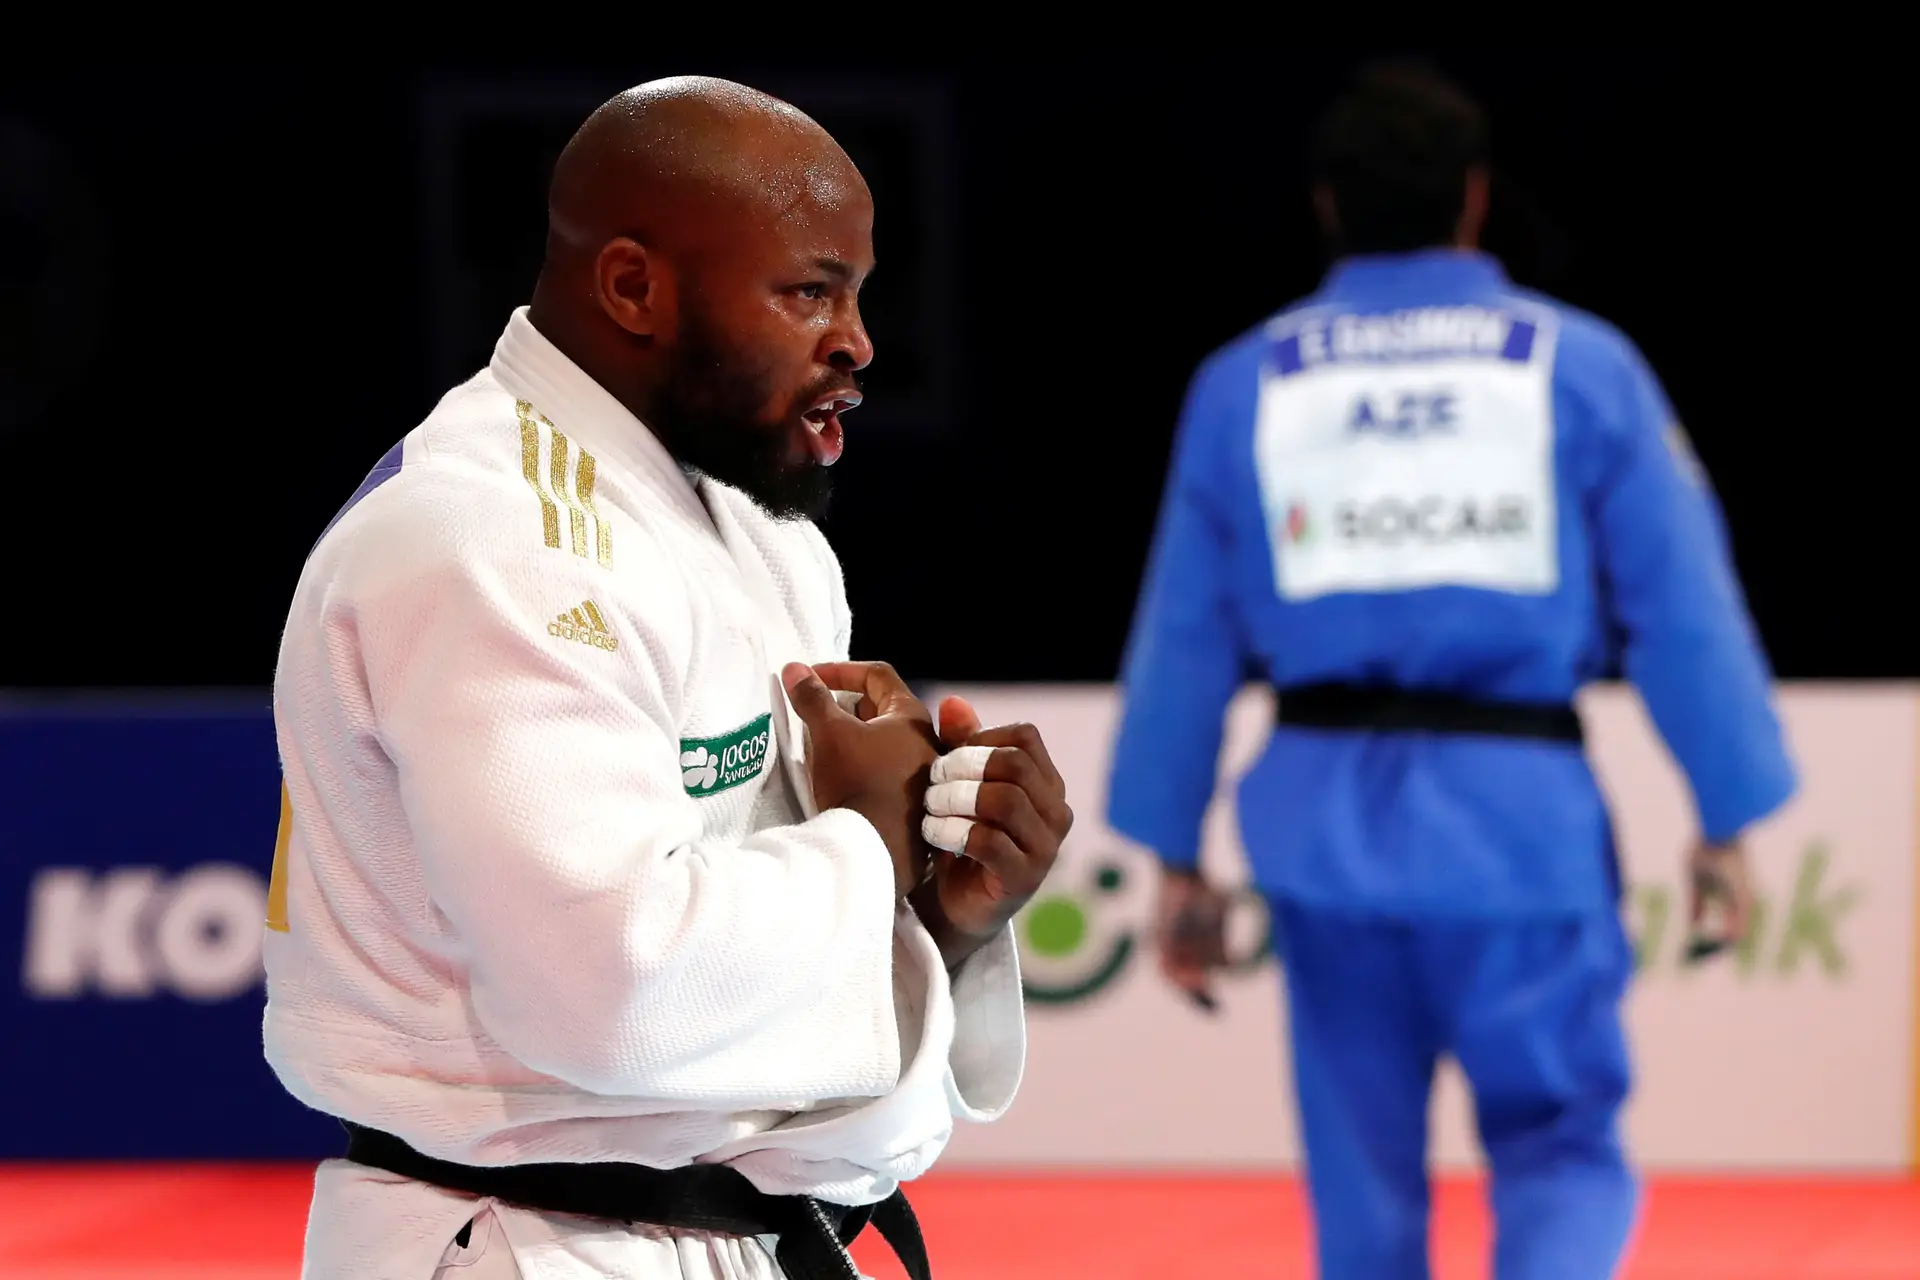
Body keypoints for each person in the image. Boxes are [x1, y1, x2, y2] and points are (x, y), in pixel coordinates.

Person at [263, 76, 1072, 1280]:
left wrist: (944, 907)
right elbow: (613, 991)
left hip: (721, 1230)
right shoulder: (494, 542)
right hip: (536, 1243)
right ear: (634, 286)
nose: (857, 340)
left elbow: (783, 937)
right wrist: (873, 848)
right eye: (810, 290)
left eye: (857, 291)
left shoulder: (760, 528)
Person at [1105, 61, 1796, 1280]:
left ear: (1327, 205)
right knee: (1561, 1146)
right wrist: (1726, 813)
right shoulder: (1577, 365)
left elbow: (1183, 638)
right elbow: (1682, 607)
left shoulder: (1245, 381)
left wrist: (1173, 855)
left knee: (1360, 1175)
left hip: (1320, 829)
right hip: (1516, 826)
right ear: (1475, 197)